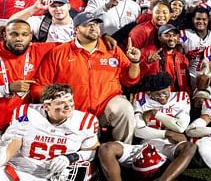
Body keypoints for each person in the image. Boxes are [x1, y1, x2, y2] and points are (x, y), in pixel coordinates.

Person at [0, 83, 100, 181]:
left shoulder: (85, 122)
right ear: (46, 106)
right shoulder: (26, 113)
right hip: (12, 173)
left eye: (70, 101)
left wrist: (70, 157)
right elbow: (14, 144)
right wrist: (3, 153)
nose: (68, 107)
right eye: (61, 103)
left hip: (44, 180)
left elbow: (93, 150)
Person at [93, 73, 196, 181]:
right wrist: (167, 133)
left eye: (165, 92)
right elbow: (139, 131)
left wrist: (155, 113)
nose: (162, 97)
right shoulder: (140, 98)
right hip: (145, 145)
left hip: (167, 147)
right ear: (149, 93)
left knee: (189, 147)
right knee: (106, 148)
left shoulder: (181, 97)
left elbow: (181, 127)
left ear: (170, 88)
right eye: (157, 94)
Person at [33, 12, 142, 143]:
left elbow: (130, 80)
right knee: (86, 150)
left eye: (96, 24)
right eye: (87, 25)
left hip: (106, 103)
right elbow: (40, 85)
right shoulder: (59, 52)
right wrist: (55, 103)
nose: (93, 28)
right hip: (75, 109)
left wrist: (135, 62)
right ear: (76, 29)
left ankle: (123, 152)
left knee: (124, 109)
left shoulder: (111, 49)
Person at [0, 19, 58, 131]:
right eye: (14, 34)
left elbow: (70, 46)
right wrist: (7, 88)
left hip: (21, 125)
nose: (19, 38)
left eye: (24, 35)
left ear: (31, 36)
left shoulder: (38, 50)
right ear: (5, 35)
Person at [140, 24, 190, 93]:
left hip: (175, 97)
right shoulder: (148, 51)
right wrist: (148, 63)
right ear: (159, 37)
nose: (171, 38)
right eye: (167, 35)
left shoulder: (182, 58)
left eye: (174, 35)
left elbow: (186, 82)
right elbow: (137, 76)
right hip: (155, 95)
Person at [9, 0, 74, 42]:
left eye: (61, 5)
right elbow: (11, 23)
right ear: (48, 8)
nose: (57, 8)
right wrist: (35, 7)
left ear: (68, 6)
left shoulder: (79, 23)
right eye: (53, 6)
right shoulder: (40, 22)